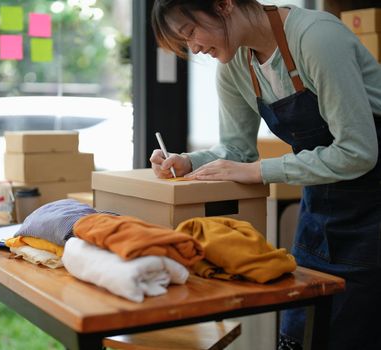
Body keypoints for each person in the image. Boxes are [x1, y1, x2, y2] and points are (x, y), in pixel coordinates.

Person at [149, 1, 381, 349]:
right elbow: (236, 152)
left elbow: (357, 152)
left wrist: (261, 172)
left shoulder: (316, 39)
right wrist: (188, 162)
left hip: (375, 205)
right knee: (302, 330)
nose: (194, 48)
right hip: (322, 205)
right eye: (186, 43)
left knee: (356, 331)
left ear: (224, 5)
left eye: (190, 33)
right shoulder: (234, 66)